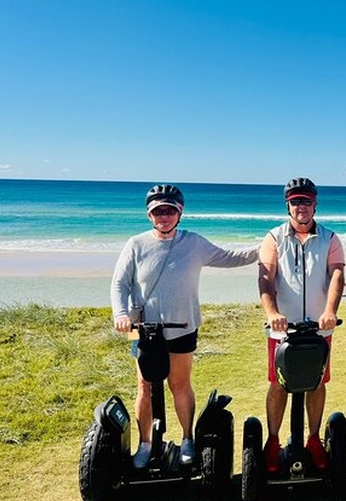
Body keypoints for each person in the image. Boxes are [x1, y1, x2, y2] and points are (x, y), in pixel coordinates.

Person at [111, 184, 259, 469]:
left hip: (183, 327)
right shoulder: (136, 244)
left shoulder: (193, 243)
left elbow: (230, 257)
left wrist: (264, 247)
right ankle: (145, 444)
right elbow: (119, 283)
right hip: (145, 330)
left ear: (180, 213)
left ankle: (188, 438)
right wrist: (121, 314)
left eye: (169, 211)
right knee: (145, 386)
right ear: (149, 215)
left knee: (179, 383)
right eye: (157, 211)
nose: (163, 217)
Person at [258, 177, 345, 473]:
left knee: (317, 382)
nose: (301, 207)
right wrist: (271, 313)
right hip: (282, 330)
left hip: (319, 329)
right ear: (288, 205)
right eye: (295, 201)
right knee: (278, 383)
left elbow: (336, 276)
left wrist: (330, 310)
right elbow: (266, 279)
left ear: (315, 204)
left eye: (306, 201)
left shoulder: (330, 239)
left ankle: (314, 439)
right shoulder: (273, 238)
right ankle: (272, 441)